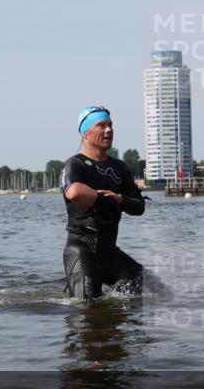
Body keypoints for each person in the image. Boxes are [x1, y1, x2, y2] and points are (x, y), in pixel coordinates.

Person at [61, 106, 146, 299]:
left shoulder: (119, 168)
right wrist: (104, 199)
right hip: (82, 253)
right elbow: (74, 192)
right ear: (85, 133)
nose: (108, 130)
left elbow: (139, 206)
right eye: (101, 125)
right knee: (87, 309)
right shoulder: (75, 164)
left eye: (110, 125)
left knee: (148, 288)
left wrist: (120, 200)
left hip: (110, 254)